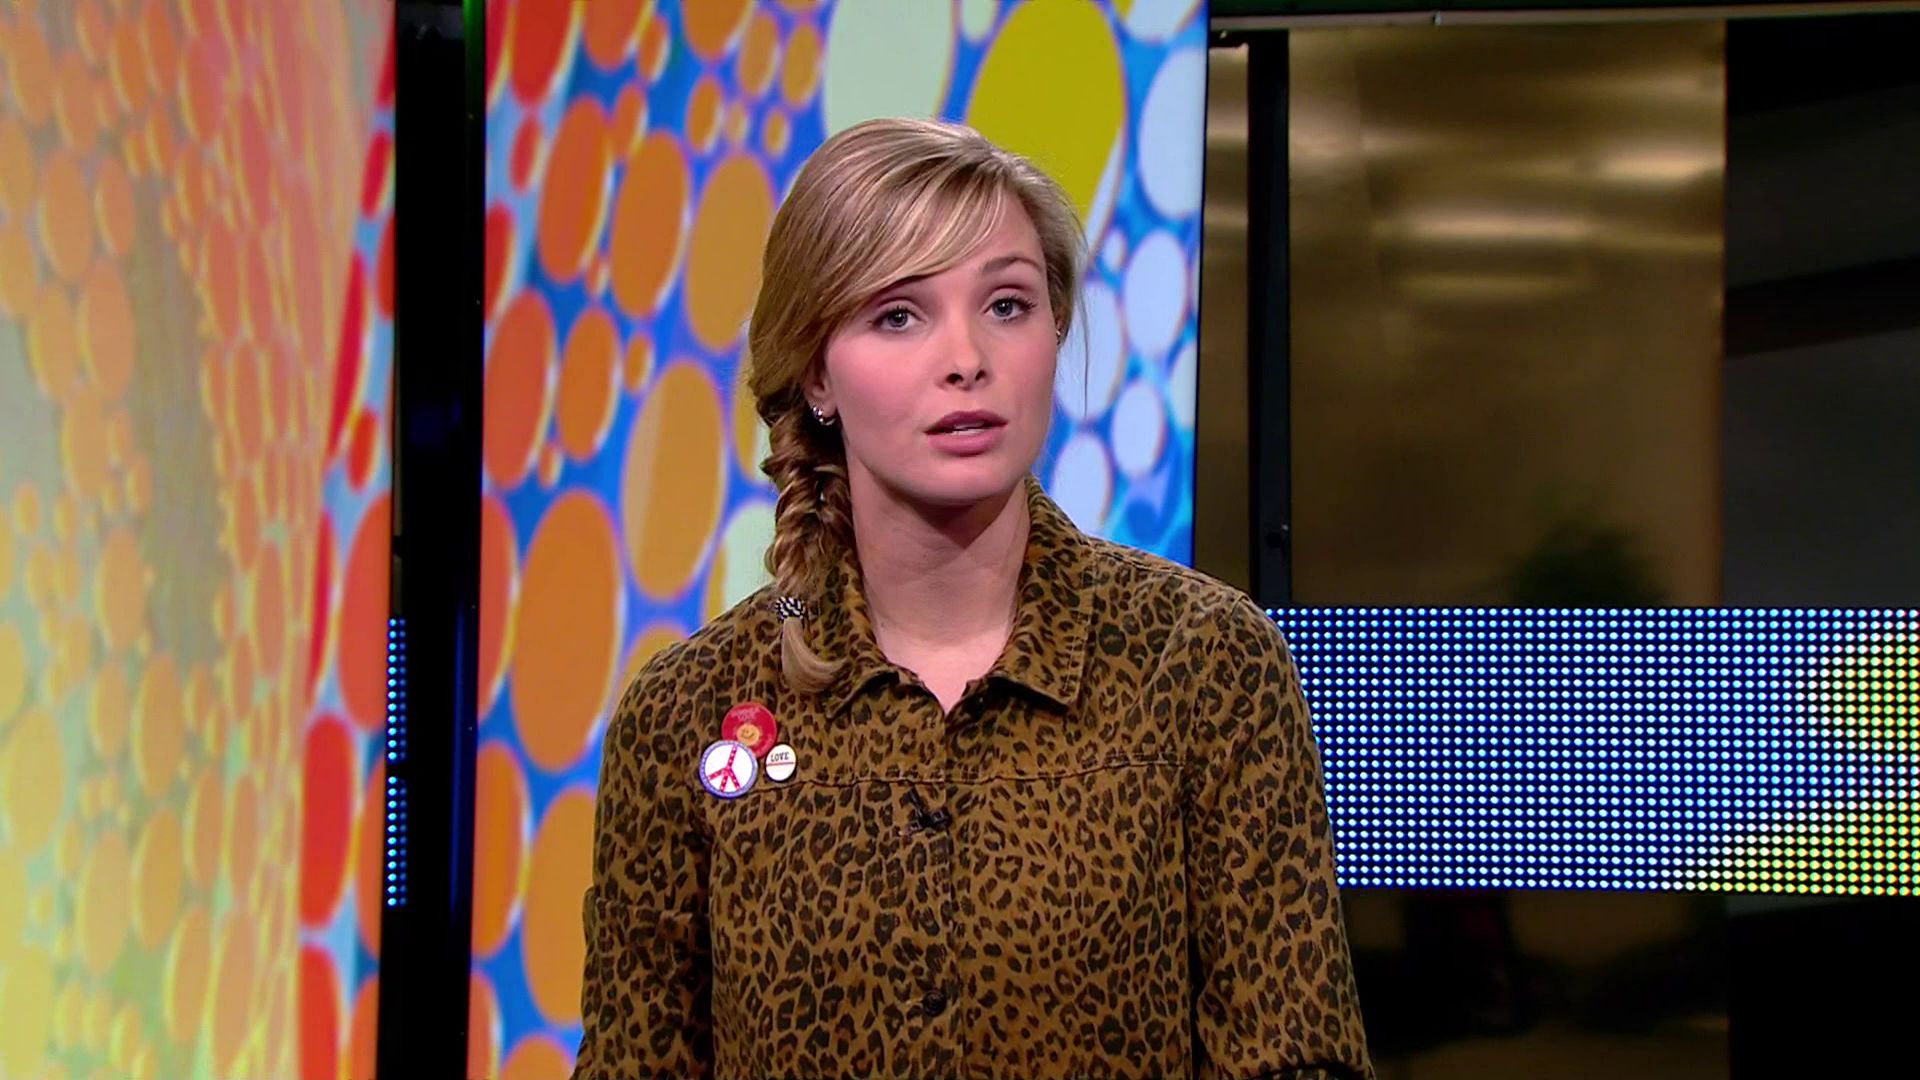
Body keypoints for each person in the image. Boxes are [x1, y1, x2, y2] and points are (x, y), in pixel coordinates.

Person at [572, 117, 1372, 1080]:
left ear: (1055, 331)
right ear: (817, 371)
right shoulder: (688, 712)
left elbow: (1297, 1057)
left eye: (1006, 304)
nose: (966, 357)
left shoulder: (1204, 663)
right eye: (898, 315)